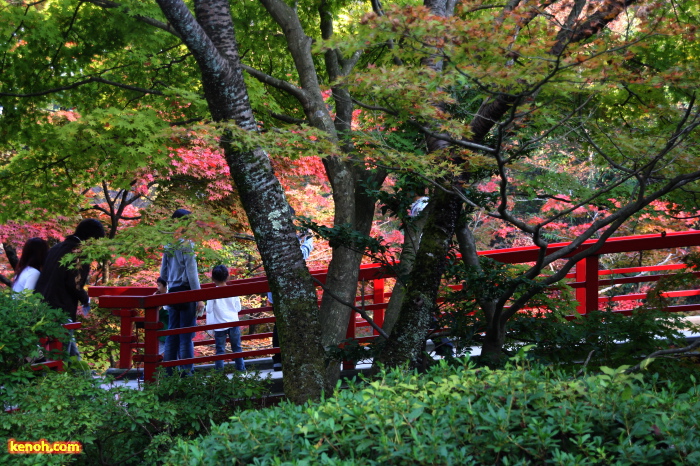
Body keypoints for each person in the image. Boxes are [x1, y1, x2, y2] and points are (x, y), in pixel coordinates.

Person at [35, 218, 106, 357]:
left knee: (69, 352)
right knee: (60, 355)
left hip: (42, 305)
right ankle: (59, 378)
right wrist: (86, 299)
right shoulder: (80, 253)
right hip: (60, 309)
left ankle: (82, 377)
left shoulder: (56, 248)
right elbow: (75, 284)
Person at [160, 209, 205, 376]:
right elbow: (192, 273)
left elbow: (163, 274)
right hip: (186, 292)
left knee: (172, 332)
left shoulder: (169, 245)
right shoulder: (187, 245)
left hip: (173, 292)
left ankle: (168, 371)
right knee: (186, 334)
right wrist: (199, 297)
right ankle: (187, 371)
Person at [270, 222, 314, 369]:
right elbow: (300, 255)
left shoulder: (271, 238)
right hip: (290, 290)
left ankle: (278, 358)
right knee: (296, 323)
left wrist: (299, 237)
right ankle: (296, 357)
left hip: (274, 290)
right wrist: (308, 239)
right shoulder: (285, 242)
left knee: (279, 325)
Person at [206, 265, 245, 371]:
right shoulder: (233, 290)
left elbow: (208, 310)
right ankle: (241, 371)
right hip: (233, 322)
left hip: (219, 325)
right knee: (237, 348)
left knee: (220, 351)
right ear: (227, 276)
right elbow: (238, 308)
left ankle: (219, 375)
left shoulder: (211, 293)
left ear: (213, 278)